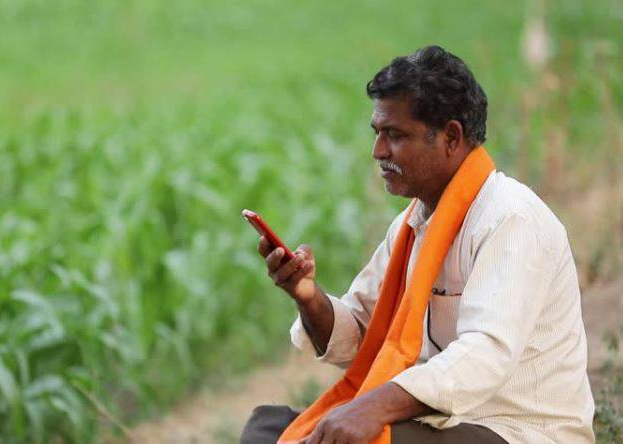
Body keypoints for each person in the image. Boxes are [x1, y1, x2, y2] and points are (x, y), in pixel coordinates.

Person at [241, 46, 594, 444]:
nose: (378, 152)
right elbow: (362, 338)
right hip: (439, 424)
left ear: (451, 137)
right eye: (377, 133)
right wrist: (306, 295)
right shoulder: (413, 223)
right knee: (268, 428)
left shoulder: (510, 219)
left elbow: (485, 355)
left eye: (395, 135)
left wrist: (373, 406)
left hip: (512, 429)